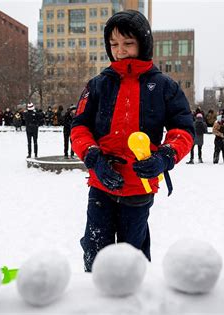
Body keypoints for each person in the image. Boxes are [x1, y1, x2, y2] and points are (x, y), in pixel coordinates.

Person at [70, 10, 194, 272]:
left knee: (132, 253)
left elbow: (183, 130)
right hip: (101, 184)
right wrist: (93, 158)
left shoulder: (164, 86)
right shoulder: (97, 85)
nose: (120, 50)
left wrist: (164, 157)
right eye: (114, 44)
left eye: (128, 43)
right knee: (95, 250)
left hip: (139, 186)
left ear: (143, 43)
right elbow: (79, 127)